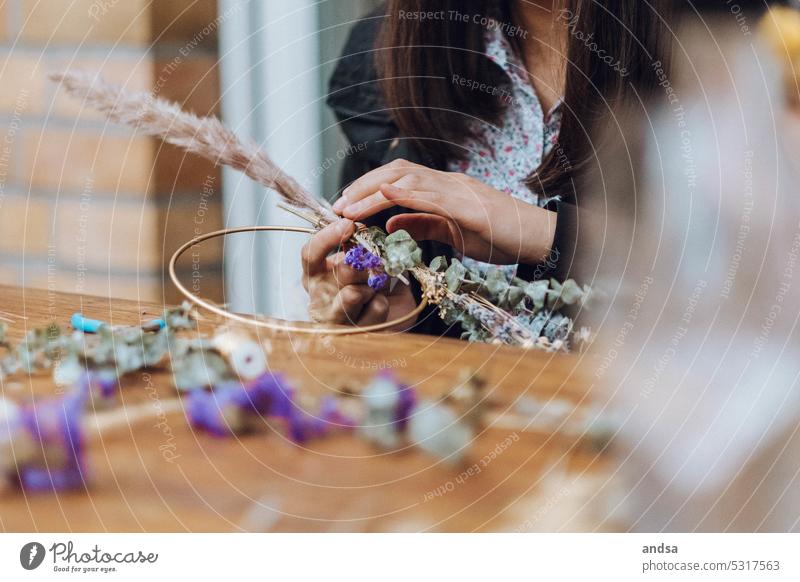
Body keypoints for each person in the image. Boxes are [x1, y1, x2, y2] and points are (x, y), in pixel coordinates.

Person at [303, 0, 672, 334]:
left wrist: (544, 235)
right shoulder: (388, 52)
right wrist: (394, 321)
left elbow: (714, 292)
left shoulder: (701, 46)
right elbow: (392, 323)